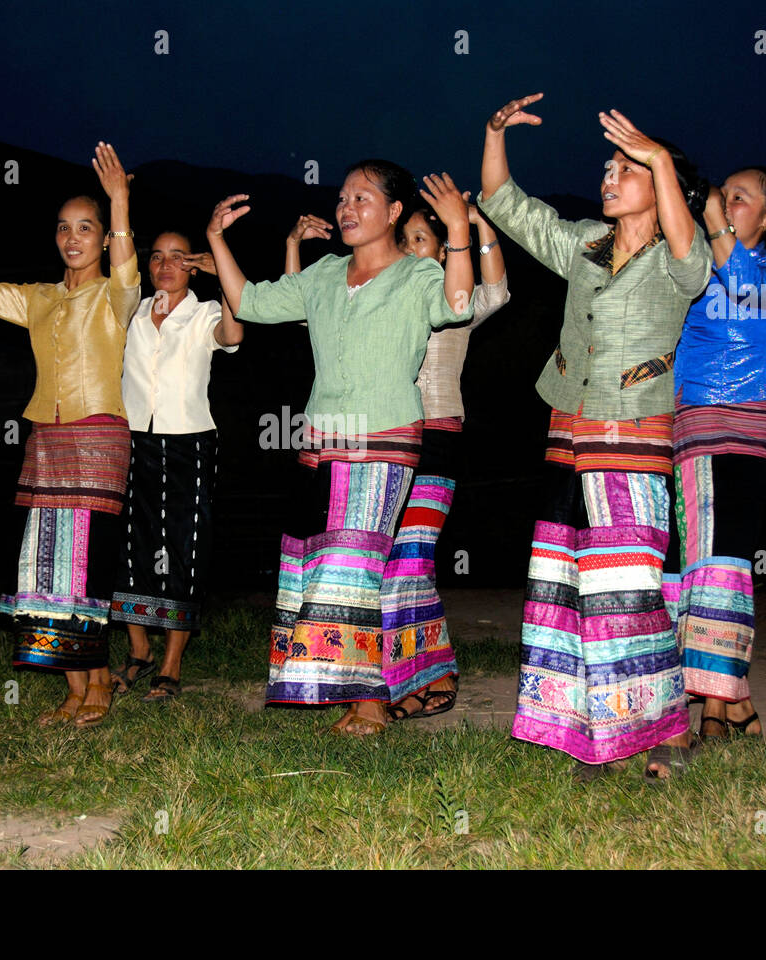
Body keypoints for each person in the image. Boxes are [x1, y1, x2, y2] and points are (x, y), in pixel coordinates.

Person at [478, 94, 712, 779]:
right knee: (565, 585)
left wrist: (660, 155)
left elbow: (694, 262)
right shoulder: (586, 244)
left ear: (665, 185)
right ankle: (586, 732)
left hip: (631, 436)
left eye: (626, 168)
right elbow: (504, 201)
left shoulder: (678, 258)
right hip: (566, 431)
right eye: (609, 167)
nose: (608, 177)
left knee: (628, 589)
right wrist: (495, 134)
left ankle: (663, 732)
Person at [208, 160, 474, 736]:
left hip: (384, 440)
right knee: (319, 566)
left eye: (362, 198)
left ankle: (370, 702)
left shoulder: (417, 275)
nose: (346, 208)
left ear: (394, 211)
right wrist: (215, 239)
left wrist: (458, 232)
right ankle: (352, 690)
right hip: (320, 442)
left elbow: (459, 305)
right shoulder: (325, 275)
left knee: (353, 565)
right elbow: (251, 303)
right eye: (343, 199)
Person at [0, 143, 139, 728]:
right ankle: (75, 686)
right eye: (64, 228)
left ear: (101, 236)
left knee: (88, 563)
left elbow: (125, 269)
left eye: (86, 228)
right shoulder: (38, 299)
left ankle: (100, 682)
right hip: (47, 439)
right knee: (47, 563)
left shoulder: (118, 297)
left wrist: (119, 201)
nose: (73, 239)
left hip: (100, 438)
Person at [285, 199, 510, 719]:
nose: (409, 249)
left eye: (420, 241)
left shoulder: (452, 299)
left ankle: (427, 675)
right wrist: (294, 246)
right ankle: (390, 683)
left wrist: (476, 225)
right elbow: (306, 311)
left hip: (435, 441)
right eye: (404, 240)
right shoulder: (379, 294)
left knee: (410, 561)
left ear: (444, 249)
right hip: (377, 438)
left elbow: (496, 291)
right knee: (379, 565)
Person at [671, 166, 766, 742]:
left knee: (723, 561)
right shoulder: (694, 266)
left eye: (739, 199)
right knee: (699, 565)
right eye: (722, 194)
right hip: (690, 426)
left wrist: (713, 216)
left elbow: (743, 284)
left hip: (745, 428)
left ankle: (719, 701)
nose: (723, 202)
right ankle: (725, 703)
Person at [109, 232, 242, 701]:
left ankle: (171, 664)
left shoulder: (204, 311)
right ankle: (138, 649)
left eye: (178, 258)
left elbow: (234, 334)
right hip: (132, 439)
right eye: (157, 257)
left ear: (192, 267)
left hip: (189, 443)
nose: (166, 265)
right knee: (130, 545)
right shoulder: (132, 312)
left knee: (185, 550)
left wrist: (221, 281)